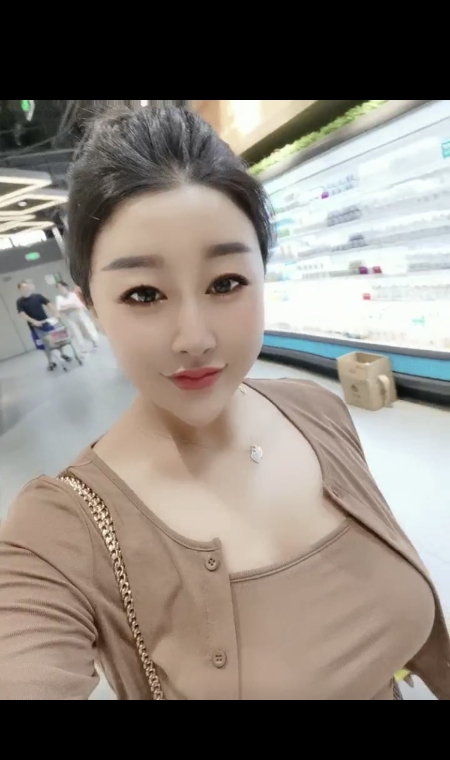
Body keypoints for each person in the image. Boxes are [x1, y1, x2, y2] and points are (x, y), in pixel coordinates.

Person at [0, 106, 448, 701]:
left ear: (263, 273)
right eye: (143, 294)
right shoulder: (58, 532)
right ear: (92, 307)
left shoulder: (317, 411)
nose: (195, 338)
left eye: (225, 283)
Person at [16, 280, 69, 370]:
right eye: (23, 287)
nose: (25, 288)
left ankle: (63, 354)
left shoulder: (38, 296)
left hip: (46, 323)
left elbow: (48, 304)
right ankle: (50, 362)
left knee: (57, 340)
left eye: (26, 286)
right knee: (44, 345)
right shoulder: (20, 302)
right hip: (35, 327)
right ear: (19, 289)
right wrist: (33, 321)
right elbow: (22, 314)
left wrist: (56, 313)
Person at [55, 280, 98, 352]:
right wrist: (70, 306)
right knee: (76, 332)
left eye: (61, 287)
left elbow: (78, 305)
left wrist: (67, 306)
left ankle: (94, 343)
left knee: (86, 329)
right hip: (70, 317)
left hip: (79, 314)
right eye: (58, 288)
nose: (61, 289)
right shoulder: (59, 298)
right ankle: (83, 349)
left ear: (65, 286)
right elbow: (59, 309)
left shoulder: (73, 295)